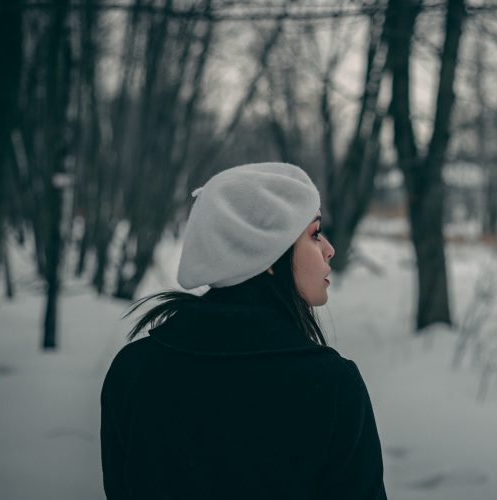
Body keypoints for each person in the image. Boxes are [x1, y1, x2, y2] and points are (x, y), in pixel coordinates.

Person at [100, 162, 388, 499]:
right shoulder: (333, 386)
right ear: (265, 251)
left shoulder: (133, 371)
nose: (329, 249)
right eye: (313, 234)